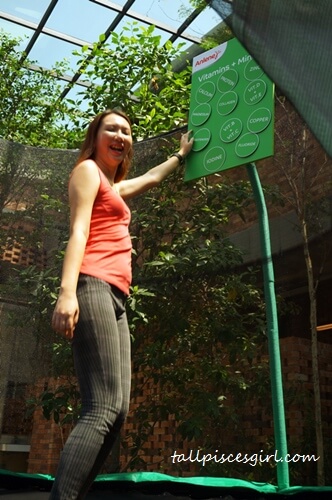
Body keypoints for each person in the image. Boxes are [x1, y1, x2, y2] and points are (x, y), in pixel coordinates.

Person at [50, 108, 193, 499]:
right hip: (92, 285)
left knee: (119, 411)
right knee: (101, 407)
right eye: (111, 129)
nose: (121, 135)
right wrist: (66, 292)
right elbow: (79, 231)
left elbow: (150, 177)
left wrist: (181, 155)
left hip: (116, 296)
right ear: (95, 137)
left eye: (127, 132)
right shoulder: (87, 172)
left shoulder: (114, 187)